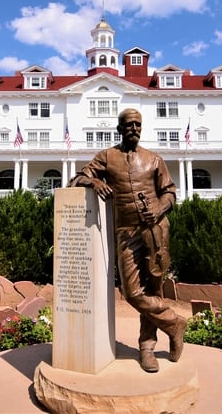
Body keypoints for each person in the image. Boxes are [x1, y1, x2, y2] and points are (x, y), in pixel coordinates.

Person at [70, 108, 187, 373]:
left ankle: (147, 348)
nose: (134, 128)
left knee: (154, 289)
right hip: (126, 232)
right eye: (129, 125)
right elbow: (77, 177)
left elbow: (169, 193)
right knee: (133, 292)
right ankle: (174, 323)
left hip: (157, 231)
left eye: (138, 124)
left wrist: (158, 208)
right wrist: (93, 183)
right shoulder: (108, 157)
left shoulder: (154, 159)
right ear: (119, 128)